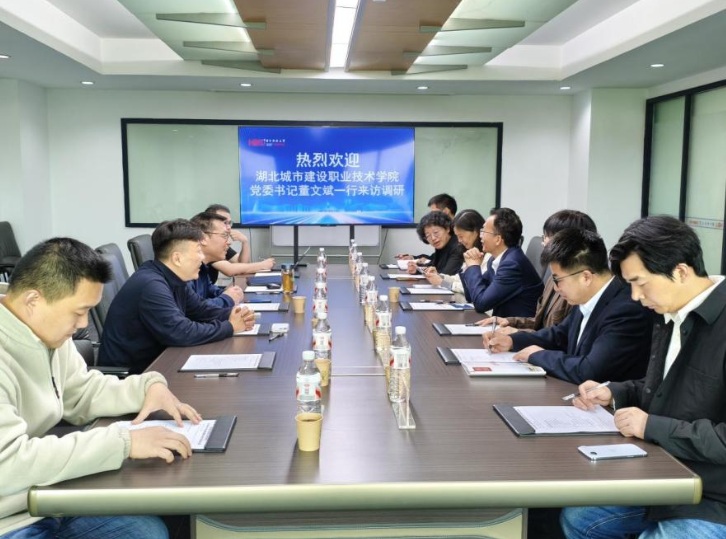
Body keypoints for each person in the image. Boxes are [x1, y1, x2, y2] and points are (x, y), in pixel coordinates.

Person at [0, 238, 200, 538]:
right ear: (33, 301)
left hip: (43, 497)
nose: (83, 324)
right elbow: (7, 463)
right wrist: (122, 442)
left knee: (156, 523)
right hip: (10, 518)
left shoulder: (45, 332)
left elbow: (80, 392)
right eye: (78, 312)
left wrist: (146, 388)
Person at [561, 216, 726, 539]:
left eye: (640, 282)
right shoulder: (669, 314)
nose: (635, 296)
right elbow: (670, 388)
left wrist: (651, 426)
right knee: (580, 518)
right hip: (668, 477)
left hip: (715, 498)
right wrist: (615, 393)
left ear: (681, 271)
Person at [484, 228, 652, 384]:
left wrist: (538, 355)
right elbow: (559, 335)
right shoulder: (588, 295)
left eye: (557, 280)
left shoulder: (626, 309)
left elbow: (590, 370)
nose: (556, 288)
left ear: (586, 277)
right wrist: (512, 340)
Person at [98, 219, 255, 375]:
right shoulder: (151, 285)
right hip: (132, 376)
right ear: (177, 258)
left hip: (158, 362)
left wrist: (233, 314)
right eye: (198, 251)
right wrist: (230, 327)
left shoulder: (173, 278)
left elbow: (200, 310)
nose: (202, 258)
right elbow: (181, 332)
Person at [479, 210, 598, 334]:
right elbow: (540, 322)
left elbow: (560, 338)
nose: (543, 243)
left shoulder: (579, 290)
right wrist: (510, 322)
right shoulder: (553, 277)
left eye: (548, 237)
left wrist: (518, 334)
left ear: (568, 243)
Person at [460, 207, 543, 316]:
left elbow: (481, 304)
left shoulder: (512, 264)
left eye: (483, 231)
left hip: (518, 324)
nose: (480, 236)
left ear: (498, 239)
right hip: (501, 322)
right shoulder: (494, 260)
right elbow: (472, 296)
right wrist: (469, 266)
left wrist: (473, 266)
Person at [423, 209, 490, 293]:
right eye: (457, 236)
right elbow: (459, 279)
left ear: (476, 231)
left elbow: (474, 287)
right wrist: (440, 276)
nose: (459, 240)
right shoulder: (469, 250)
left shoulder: (489, 255)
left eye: (461, 236)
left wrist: (442, 283)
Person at [204, 204, 275, 283]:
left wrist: (245, 242)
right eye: (225, 222)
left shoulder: (221, 244)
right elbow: (229, 270)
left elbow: (243, 264)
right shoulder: (207, 243)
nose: (229, 227)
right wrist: (262, 265)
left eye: (229, 223)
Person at [189, 212, 244, 308]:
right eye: (224, 236)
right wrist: (228, 298)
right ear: (203, 239)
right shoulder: (186, 270)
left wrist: (231, 293)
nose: (229, 242)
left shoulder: (202, 267)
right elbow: (195, 308)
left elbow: (211, 290)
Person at [395, 194, 458, 261]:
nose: (431, 216)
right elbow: (438, 258)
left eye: (434, 213)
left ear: (446, 211)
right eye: (428, 235)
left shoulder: (459, 231)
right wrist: (414, 258)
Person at [405, 211, 464, 276]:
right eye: (428, 235)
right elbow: (433, 266)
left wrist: (426, 271)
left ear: (447, 228)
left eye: (436, 232)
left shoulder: (458, 247)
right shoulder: (442, 246)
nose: (433, 238)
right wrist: (417, 270)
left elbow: (447, 275)